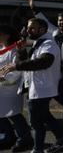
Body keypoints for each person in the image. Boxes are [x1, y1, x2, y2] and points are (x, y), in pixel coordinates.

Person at [2, 18, 63, 153]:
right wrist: (21, 52)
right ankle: (62, 139)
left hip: (42, 89)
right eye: (28, 27)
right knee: (45, 117)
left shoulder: (48, 44)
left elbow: (44, 62)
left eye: (32, 28)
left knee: (36, 123)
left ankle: (37, 149)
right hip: (38, 88)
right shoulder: (39, 43)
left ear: (42, 29)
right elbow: (31, 61)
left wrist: (16, 65)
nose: (28, 30)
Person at [0, 24, 33, 152]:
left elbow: (17, 71)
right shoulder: (1, 48)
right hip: (1, 89)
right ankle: (8, 137)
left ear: (6, 35)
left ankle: (25, 139)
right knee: (1, 116)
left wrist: (2, 78)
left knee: (14, 115)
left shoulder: (14, 50)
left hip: (10, 89)